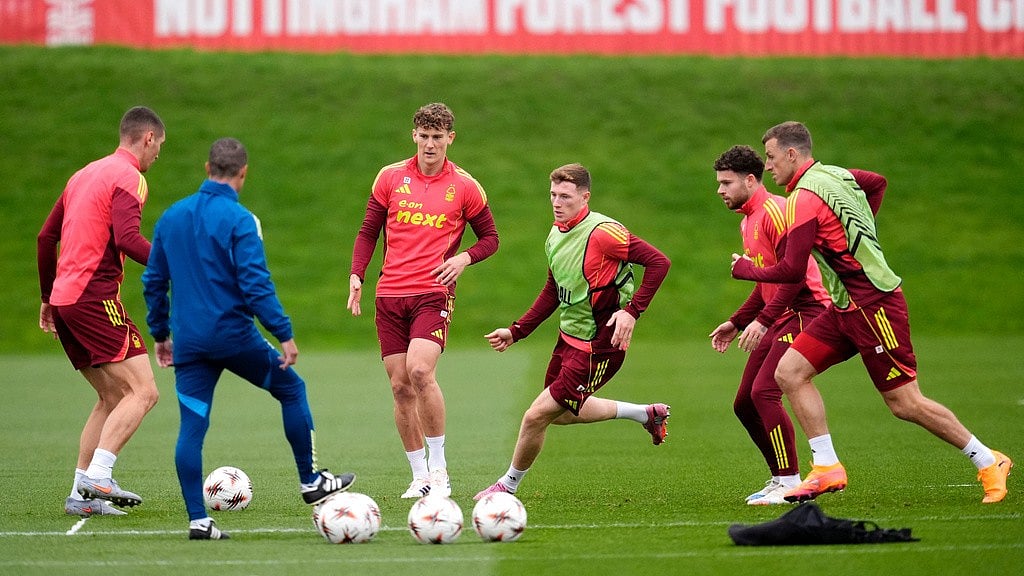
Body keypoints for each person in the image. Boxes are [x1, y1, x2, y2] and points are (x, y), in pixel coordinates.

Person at [731, 121, 1012, 504]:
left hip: (875, 306)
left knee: (905, 403)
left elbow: (793, 271)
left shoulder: (801, 200)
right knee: (790, 373)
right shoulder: (837, 174)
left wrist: (746, 270)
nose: (770, 165)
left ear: (793, 154)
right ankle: (827, 467)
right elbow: (876, 182)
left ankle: (988, 458)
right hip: (845, 305)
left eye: (772, 157)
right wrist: (861, 236)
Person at [142, 138, 356, 540]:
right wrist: (284, 333)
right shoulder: (241, 220)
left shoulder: (170, 218)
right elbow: (255, 284)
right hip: (234, 337)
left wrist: (160, 334)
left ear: (207, 168)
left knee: (192, 427)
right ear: (243, 173)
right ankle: (310, 481)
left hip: (189, 343)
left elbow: (154, 281)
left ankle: (198, 521)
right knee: (292, 389)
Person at [475, 163, 671, 501]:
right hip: (569, 340)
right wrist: (516, 331)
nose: (556, 201)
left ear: (585, 197)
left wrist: (631, 311)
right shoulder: (555, 233)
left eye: (565, 196)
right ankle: (646, 414)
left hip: (600, 345)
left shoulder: (604, 233)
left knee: (536, 416)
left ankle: (506, 487)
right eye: (553, 194)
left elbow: (659, 262)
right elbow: (554, 289)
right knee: (563, 415)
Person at [347, 102, 499, 499]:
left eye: (438, 137)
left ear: (451, 138)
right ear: (413, 135)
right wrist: (357, 275)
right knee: (399, 387)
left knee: (419, 371)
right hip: (389, 295)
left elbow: (490, 239)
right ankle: (420, 477)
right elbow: (368, 232)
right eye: (424, 136)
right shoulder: (390, 178)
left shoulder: (465, 186)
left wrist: (464, 258)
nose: (430, 144)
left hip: (433, 293)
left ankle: (440, 469)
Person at [37, 106, 165, 517]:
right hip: (95, 298)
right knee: (145, 391)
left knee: (112, 396)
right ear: (147, 138)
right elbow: (128, 238)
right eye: (159, 146)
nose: (158, 155)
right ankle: (100, 475)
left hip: (65, 301)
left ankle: (80, 493)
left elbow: (45, 238)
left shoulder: (83, 174)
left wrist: (46, 298)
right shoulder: (130, 176)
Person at [710, 145, 831, 505]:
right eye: (718, 183)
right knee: (744, 403)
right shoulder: (747, 220)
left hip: (807, 310)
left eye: (726, 183)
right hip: (780, 313)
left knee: (764, 392)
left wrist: (762, 321)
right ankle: (781, 478)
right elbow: (768, 283)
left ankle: (791, 480)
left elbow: (794, 278)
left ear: (751, 179)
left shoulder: (777, 212)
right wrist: (737, 321)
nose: (720, 190)